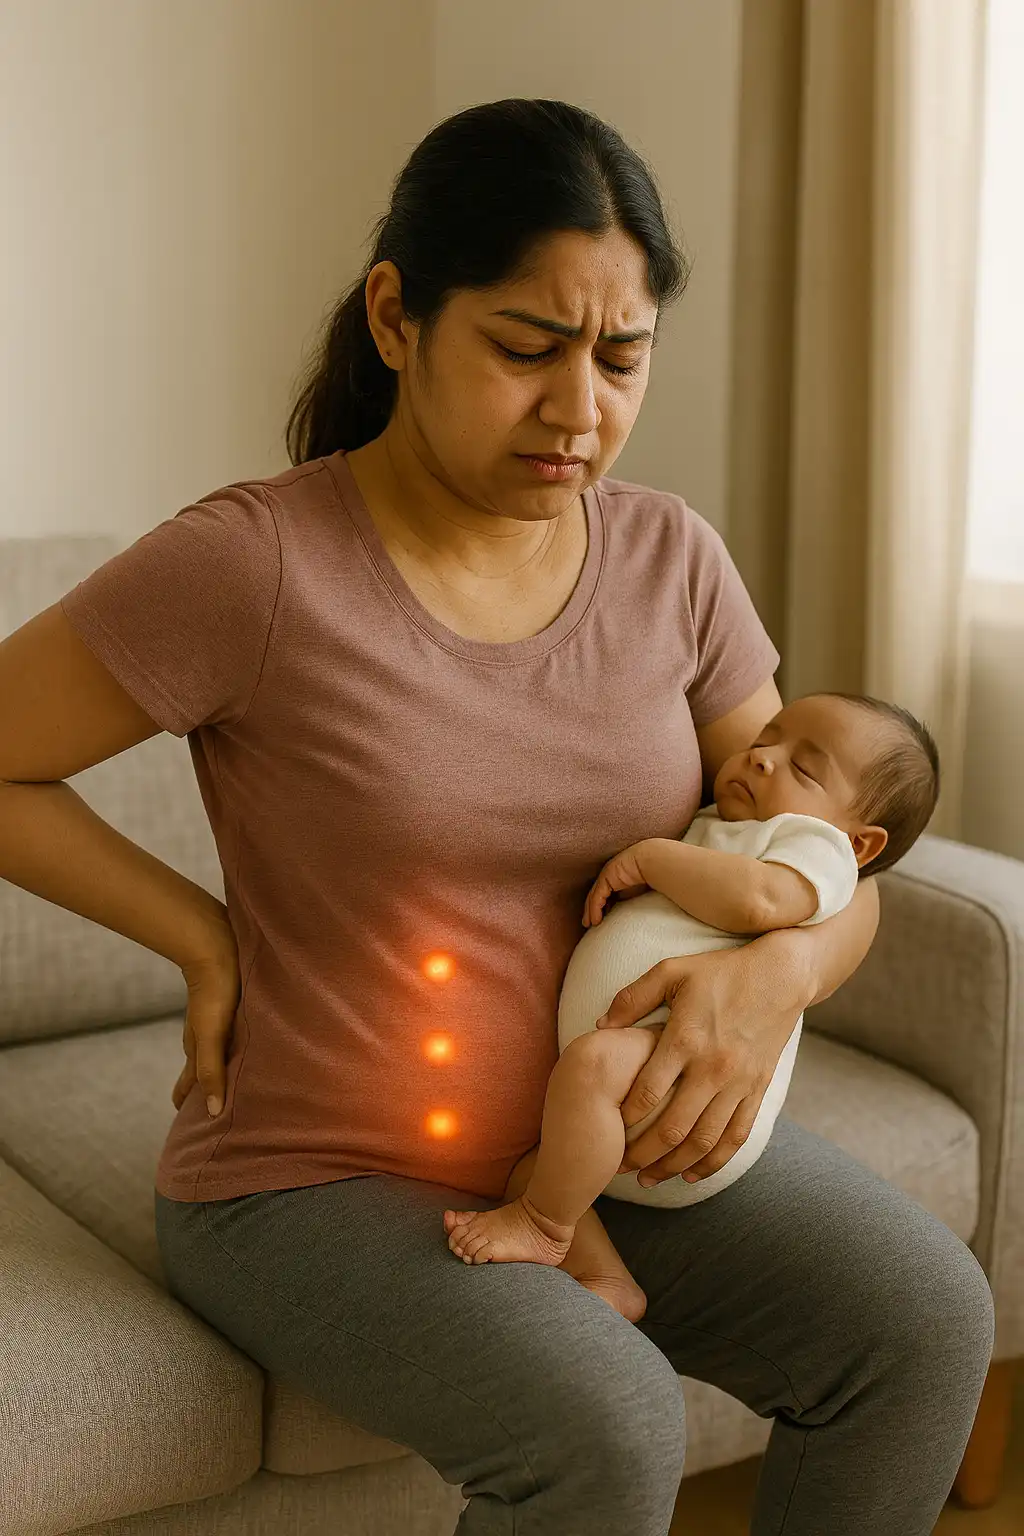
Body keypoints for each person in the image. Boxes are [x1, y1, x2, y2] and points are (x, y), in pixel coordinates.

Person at [0, 98, 993, 1535]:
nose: (579, 408)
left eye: (623, 354)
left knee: (920, 1318)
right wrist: (204, 943)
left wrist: (781, 973)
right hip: (314, 1174)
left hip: (598, 1154)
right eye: (526, 348)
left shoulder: (672, 561)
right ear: (397, 317)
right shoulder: (256, 566)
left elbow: (828, 861)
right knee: (605, 1422)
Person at [443, 692, 940, 1324]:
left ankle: (545, 1224)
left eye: (805, 768)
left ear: (861, 843)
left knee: (591, 1072)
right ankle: (603, 1275)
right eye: (766, 739)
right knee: (528, 1164)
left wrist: (654, 857)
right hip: (627, 1092)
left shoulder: (813, 849)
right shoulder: (728, 824)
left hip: (681, 1088)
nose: (762, 759)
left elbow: (761, 902)